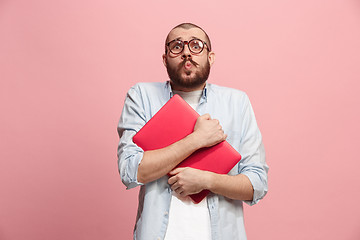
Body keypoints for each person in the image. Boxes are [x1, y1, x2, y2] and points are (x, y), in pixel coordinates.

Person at [117, 23, 269, 240]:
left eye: (196, 45)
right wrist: (196, 139)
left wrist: (207, 181)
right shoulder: (141, 96)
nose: (187, 52)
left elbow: (257, 184)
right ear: (165, 58)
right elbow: (131, 171)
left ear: (211, 56)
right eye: (177, 46)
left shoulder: (237, 102)